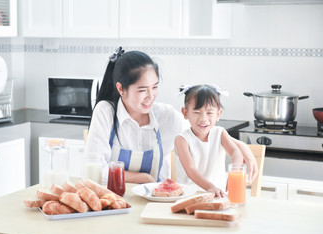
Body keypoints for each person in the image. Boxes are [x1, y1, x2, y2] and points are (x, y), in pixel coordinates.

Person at [85, 47, 258, 185]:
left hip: (157, 202)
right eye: (142, 90)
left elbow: (204, 132)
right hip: (115, 202)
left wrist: (244, 150)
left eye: (154, 87)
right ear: (121, 89)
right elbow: (94, 170)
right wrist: (143, 178)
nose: (151, 96)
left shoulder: (166, 116)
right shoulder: (106, 111)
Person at [174, 84, 244, 197]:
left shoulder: (220, 133)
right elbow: (190, 170)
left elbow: (236, 152)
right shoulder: (182, 140)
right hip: (189, 196)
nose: (203, 119)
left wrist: (233, 175)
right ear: (185, 113)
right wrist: (210, 187)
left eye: (209, 113)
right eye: (197, 112)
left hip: (218, 195)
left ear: (218, 114)